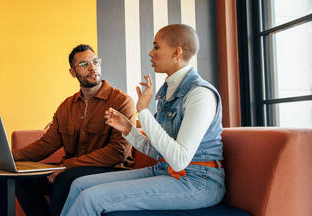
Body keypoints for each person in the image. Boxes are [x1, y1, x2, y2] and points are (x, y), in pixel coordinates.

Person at [60, 24, 225, 215]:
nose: (150, 53)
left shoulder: (200, 94)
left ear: (176, 52)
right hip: (164, 170)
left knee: (91, 198)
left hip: (197, 181)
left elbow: (179, 160)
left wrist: (143, 112)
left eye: (156, 47)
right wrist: (128, 129)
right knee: (80, 184)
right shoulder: (169, 90)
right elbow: (159, 153)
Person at [12, 44, 136, 216]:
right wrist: (11, 157)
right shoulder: (66, 106)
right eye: (84, 64)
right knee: (21, 181)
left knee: (64, 180)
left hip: (112, 170)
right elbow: (47, 143)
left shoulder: (122, 101)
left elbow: (118, 152)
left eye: (95, 61)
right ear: (73, 72)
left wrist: (67, 166)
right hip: (72, 170)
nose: (92, 67)